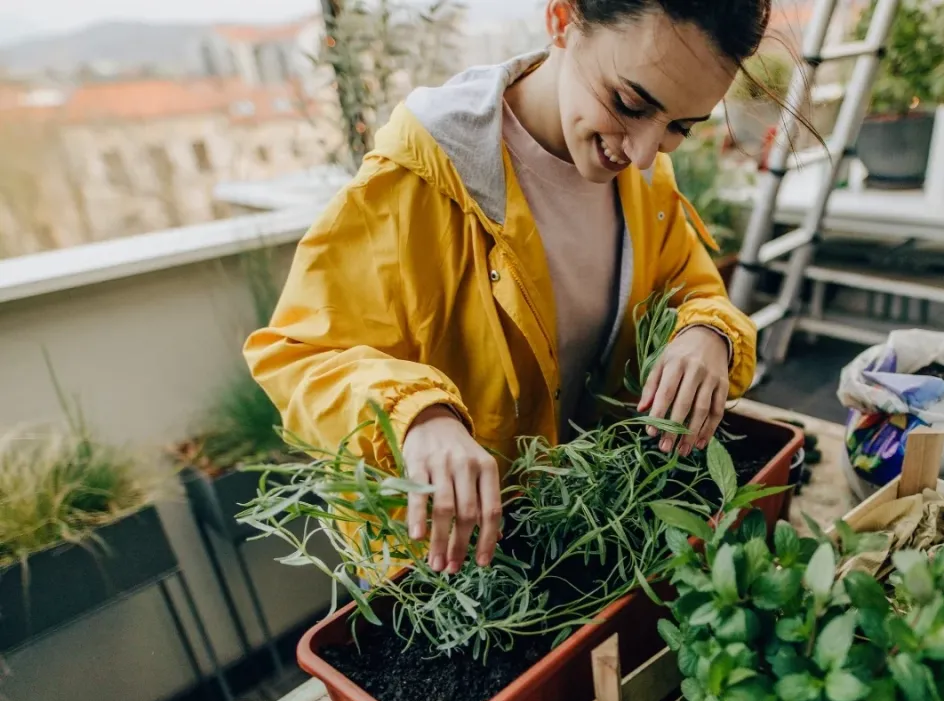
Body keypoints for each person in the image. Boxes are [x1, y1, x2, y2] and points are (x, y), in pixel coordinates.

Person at [245, 0, 791, 578]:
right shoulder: (417, 178)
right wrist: (418, 417)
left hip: (591, 541)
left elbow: (690, 287)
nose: (643, 151)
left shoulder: (646, 177)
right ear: (561, 20)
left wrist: (708, 331)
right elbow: (300, 355)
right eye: (630, 104)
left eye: (681, 127)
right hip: (454, 578)